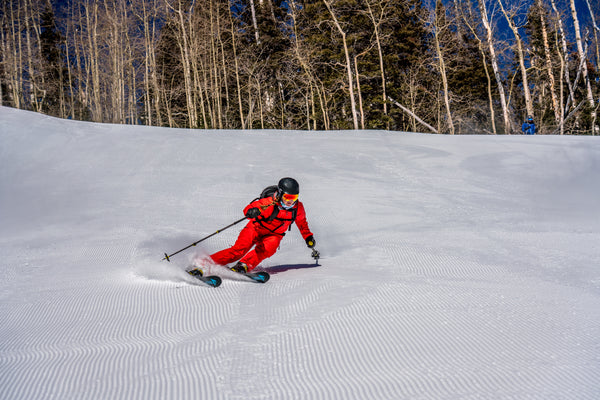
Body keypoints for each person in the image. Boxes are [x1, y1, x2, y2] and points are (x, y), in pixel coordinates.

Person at [203, 177, 315, 273]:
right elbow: (250, 207)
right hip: (255, 228)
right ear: (280, 194)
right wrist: (251, 211)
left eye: (294, 198)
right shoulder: (269, 203)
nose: (290, 201)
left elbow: (302, 223)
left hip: (274, 234)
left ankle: (244, 265)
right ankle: (205, 263)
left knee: (269, 248)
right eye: (287, 197)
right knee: (238, 251)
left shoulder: (298, 208)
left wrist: (308, 237)